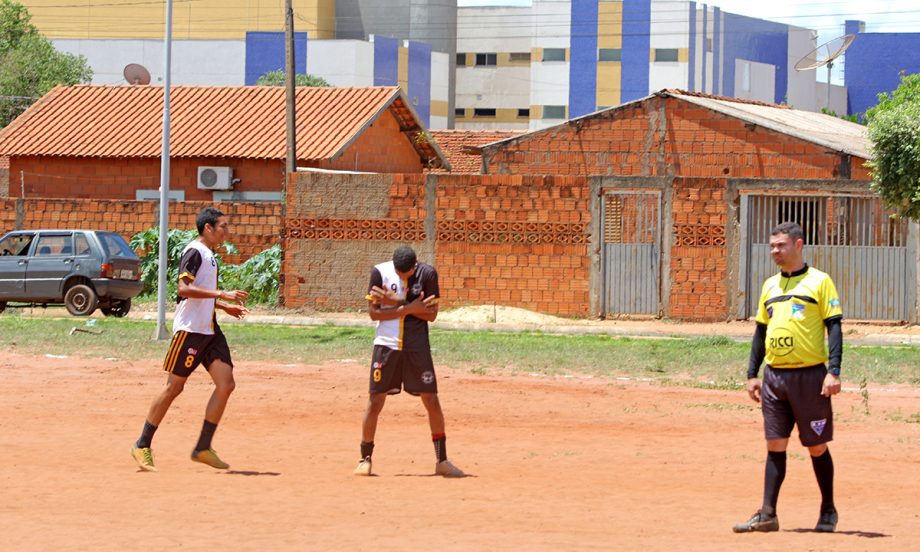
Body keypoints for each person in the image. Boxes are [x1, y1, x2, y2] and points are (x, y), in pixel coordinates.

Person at [733, 222, 843, 533]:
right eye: (772, 246)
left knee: (816, 446)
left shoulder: (819, 282)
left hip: (809, 378)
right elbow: (761, 330)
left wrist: (833, 371)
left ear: (798, 245)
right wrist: (752, 374)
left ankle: (828, 510)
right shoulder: (769, 286)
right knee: (774, 444)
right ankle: (768, 513)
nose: (774, 251)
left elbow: (834, 327)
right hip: (775, 379)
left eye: (780, 246)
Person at [130, 207, 250, 472]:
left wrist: (221, 306)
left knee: (226, 383)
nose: (226, 231)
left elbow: (198, 295)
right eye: (223, 226)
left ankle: (203, 447)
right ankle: (142, 444)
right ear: (208, 228)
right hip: (190, 330)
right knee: (174, 387)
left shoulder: (209, 255)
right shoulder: (194, 251)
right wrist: (223, 294)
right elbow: (184, 289)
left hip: (209, 329)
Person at [354, 245, 465, 477]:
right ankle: (365, 458)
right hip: (386, 344)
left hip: (417, 346)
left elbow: (431, 315)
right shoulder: (379, 273)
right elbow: (374, 314)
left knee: (431, 400)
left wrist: (398, 302)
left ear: (414, 266)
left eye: (406, 273)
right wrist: (409, 306)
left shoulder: (427, 274)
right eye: (398, 272)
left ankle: (441, 460)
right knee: (375, 400)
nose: (402, 276)